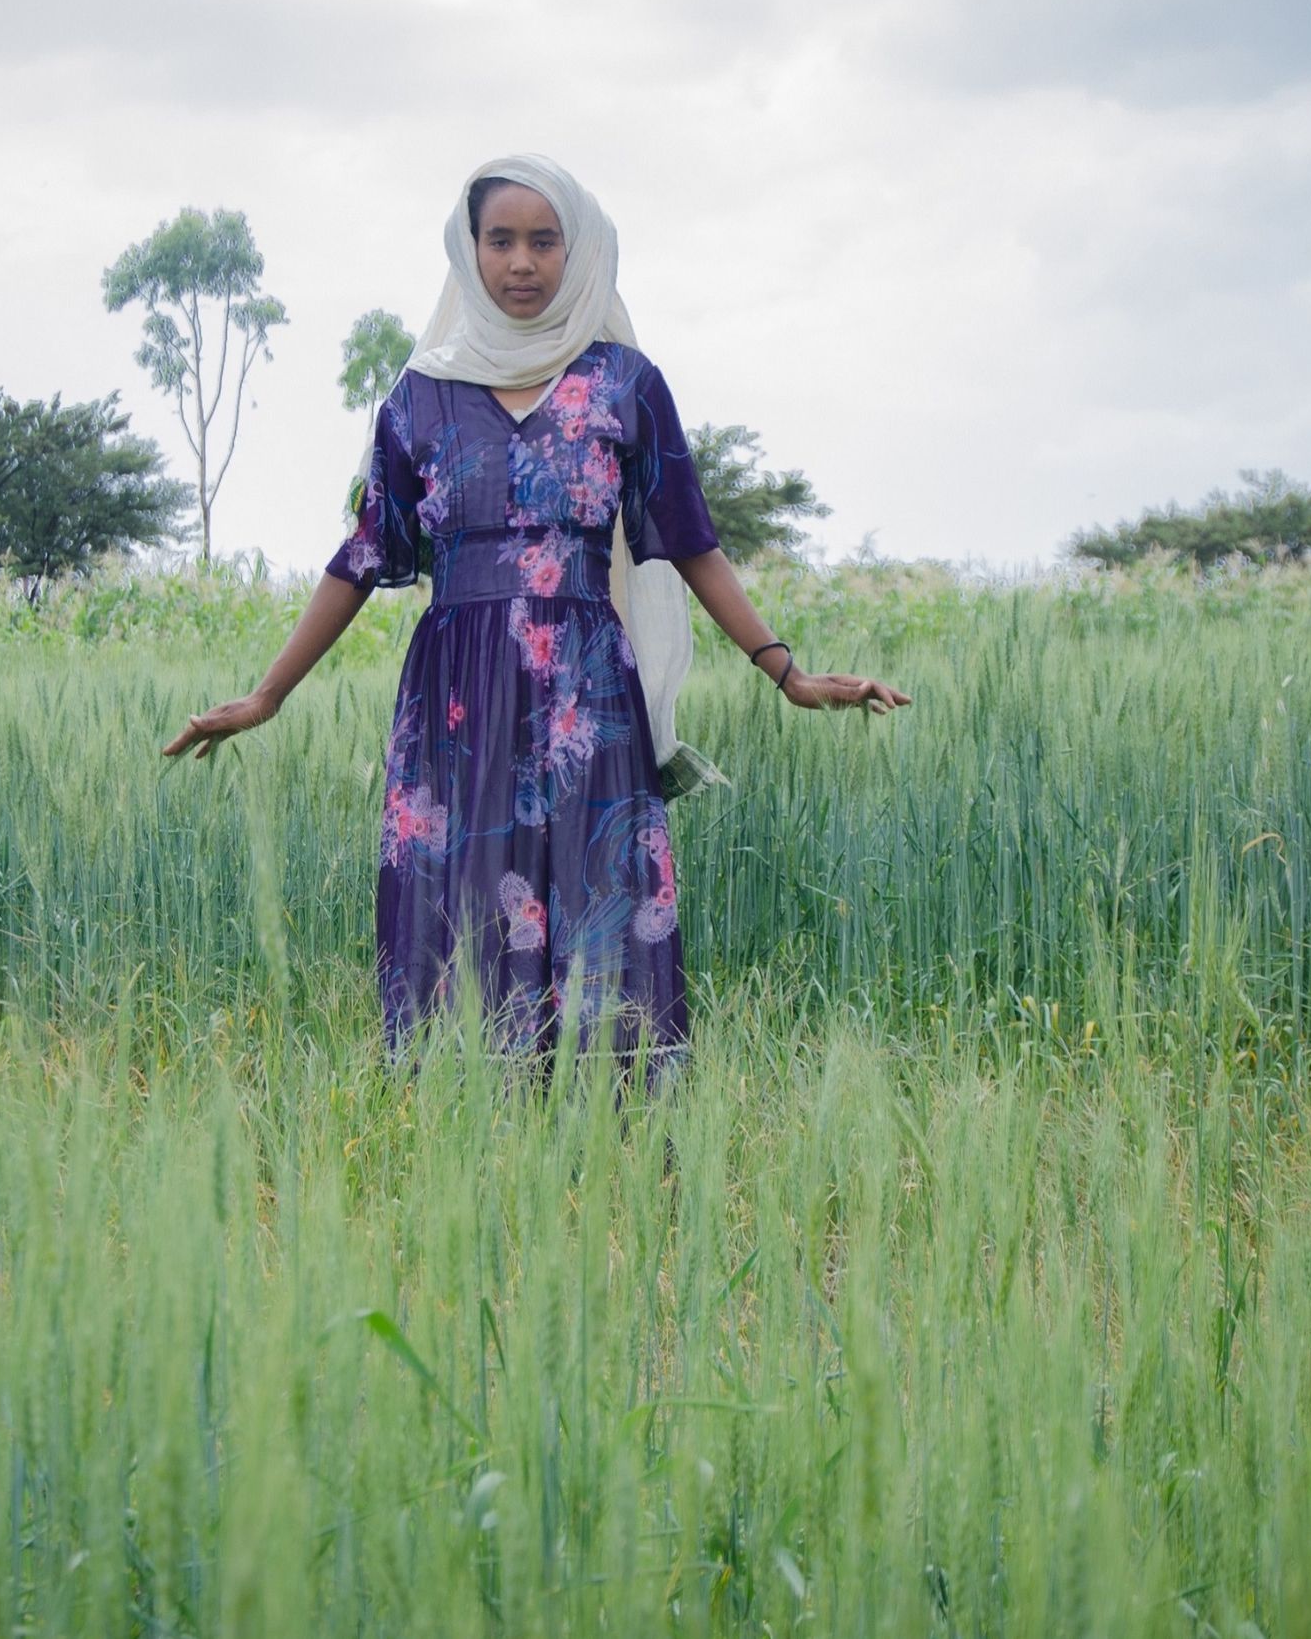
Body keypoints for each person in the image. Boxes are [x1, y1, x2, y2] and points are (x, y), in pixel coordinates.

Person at [162, 155, 910, 1077]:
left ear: (578, 251)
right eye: (500, 240)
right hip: (456, 697)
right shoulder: (417, 400)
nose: (521, 262)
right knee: (463, 897)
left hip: (586, 692)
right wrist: (266, 696)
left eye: (543, 241)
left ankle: (612, 1130)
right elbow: (363, 557)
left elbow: (687, 539)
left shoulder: (625, 385)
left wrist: (785, 671)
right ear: (467, 251)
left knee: (600, 890)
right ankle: (468, 1121)